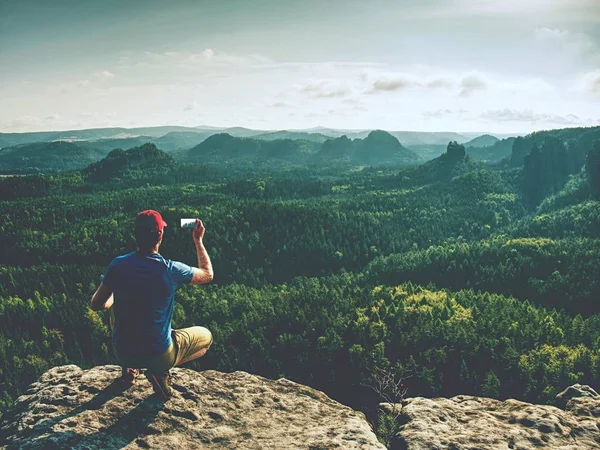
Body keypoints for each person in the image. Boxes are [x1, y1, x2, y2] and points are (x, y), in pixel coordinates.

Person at [90, 210, 214, 400]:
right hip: (157, 353)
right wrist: (198, 240)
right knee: (206, 338)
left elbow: (97, 304)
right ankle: (159, 372)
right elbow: (207, 274)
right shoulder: (170, 269)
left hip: (124, 353)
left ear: (136, 234)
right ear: (159, 235)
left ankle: (129, 372)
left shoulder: (118, 265)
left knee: (120, 308)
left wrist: (117, 295)